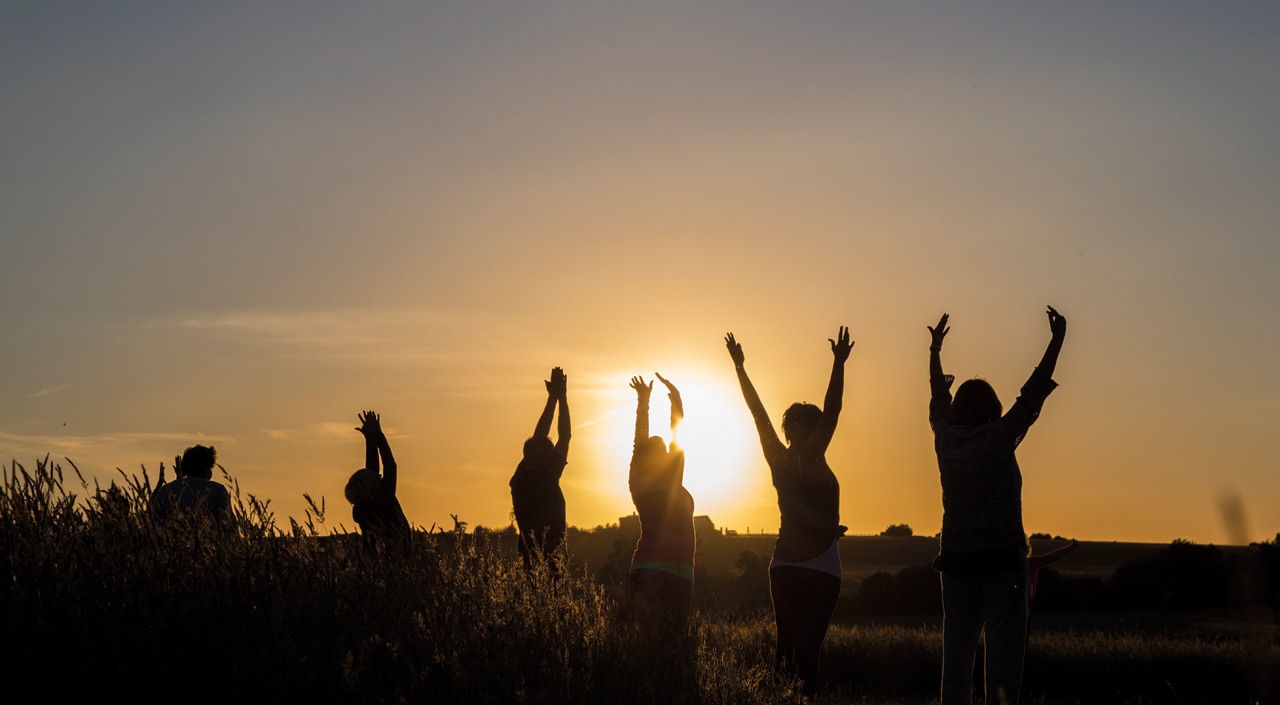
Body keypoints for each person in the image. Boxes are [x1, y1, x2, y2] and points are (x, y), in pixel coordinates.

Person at [928, 307, 1067, 705]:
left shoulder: (945, 441)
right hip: (1003, 564)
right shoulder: (1000, 437)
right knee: (1003, 663)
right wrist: (1056, 341)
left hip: (956, 563)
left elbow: (938, 395)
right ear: (993, 410)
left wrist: (935, 350)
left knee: (955, 659)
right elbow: (1033, 393)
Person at [725, 327, 853, 693]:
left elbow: (756, 410)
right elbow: (835, 409)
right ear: (813, 430)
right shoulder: (814, 454)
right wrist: (839, 363)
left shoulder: (776, 456)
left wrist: (740, 368)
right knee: (809, 652)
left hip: (783, 565)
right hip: (821, 567)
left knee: (785, 651)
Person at [627, 373, 695, 627]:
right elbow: (677, 434)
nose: (669, 452)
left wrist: (643, 402)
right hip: (671, 572)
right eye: (665, 450)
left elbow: (638, 443)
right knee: (671, 644)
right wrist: (675, 401)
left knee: (644, 645)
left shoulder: (637, 481)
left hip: (641, 568)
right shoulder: (671, 480)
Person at [510, 367, 571, 572]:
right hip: (551, 561)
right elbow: (564, 436)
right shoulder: (548, 475)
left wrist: (554, 398)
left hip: (526, 558)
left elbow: (541, 436)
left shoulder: (522, 475)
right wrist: (561, 398)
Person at [344, 410, 411, 548]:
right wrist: (378, 435)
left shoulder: (362, 511)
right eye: (377, 478)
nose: (380, 475)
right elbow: (390, 466)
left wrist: (370, 439)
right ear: (372, 487)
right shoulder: (385, 501)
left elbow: (372, 469)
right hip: (401, 561)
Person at [150, 444, 231, 522]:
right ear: (206, 468)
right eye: (211, 467)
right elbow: (229, 526)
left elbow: (153, 524)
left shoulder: (165, 491)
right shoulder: (218, 491)